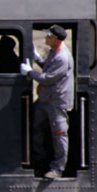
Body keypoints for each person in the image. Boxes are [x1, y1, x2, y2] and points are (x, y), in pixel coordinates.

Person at [20, 24, 74, 180]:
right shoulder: (53, 52)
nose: (46, 38)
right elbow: (48, 68)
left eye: (49, 36)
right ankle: (40, 164)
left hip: (56, 102)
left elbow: (48, 78)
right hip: (45, 100)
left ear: (56, 39)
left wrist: (29, 73)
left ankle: (58, 169)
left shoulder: (62, 57)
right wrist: (36, 57)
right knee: (36, 129)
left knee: (59, 134)